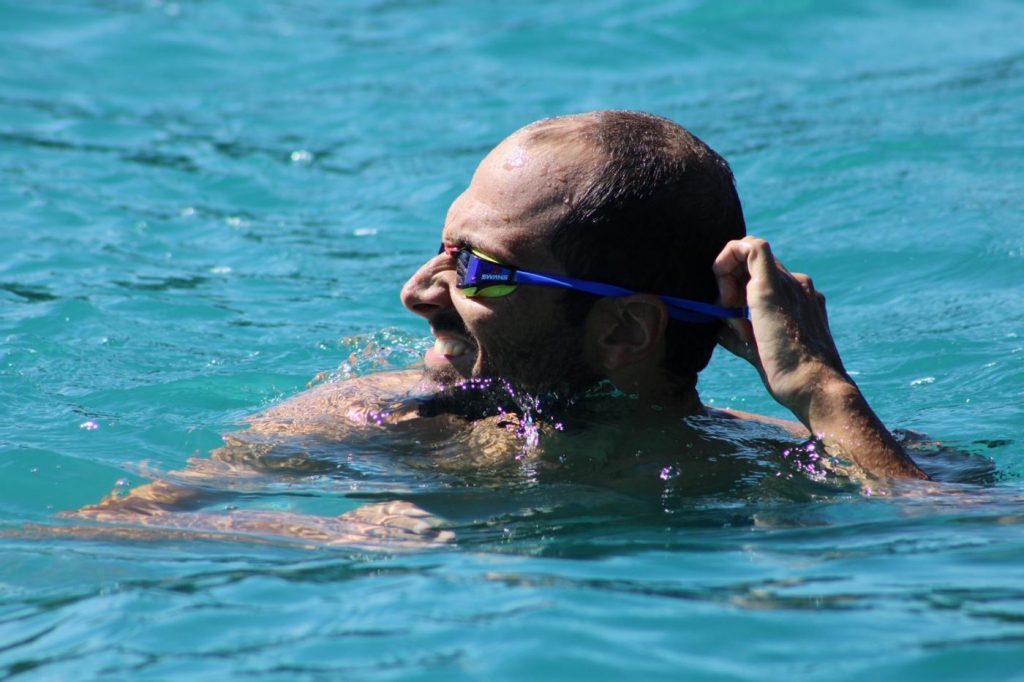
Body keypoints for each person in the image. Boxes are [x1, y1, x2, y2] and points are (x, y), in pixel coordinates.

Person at [68, 111, 928, 547]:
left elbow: (957, 550)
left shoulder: (788, 464)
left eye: (479, 268)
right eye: (444, 249)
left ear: (625, 331)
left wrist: (824, 393)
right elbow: (101, 532)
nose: (418, 292)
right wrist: (316, 534)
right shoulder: (376, 424)